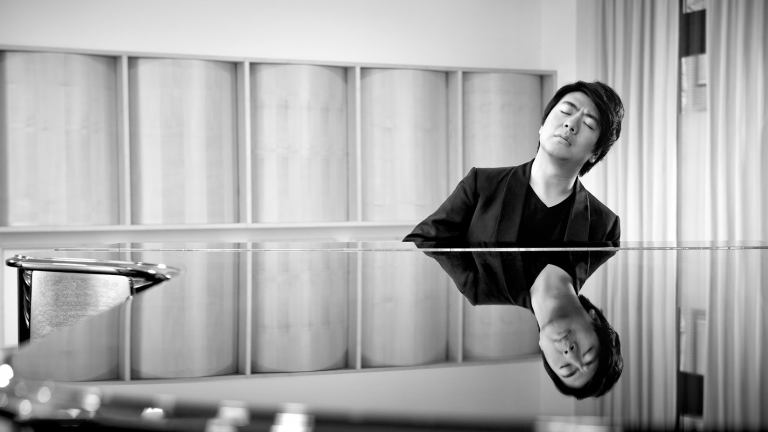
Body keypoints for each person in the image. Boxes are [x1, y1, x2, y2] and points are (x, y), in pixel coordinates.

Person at [403, 80, 624, 245]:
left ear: (596, 153)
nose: (571, 124)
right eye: (566, 111)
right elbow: (419, 242)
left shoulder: (604, 225)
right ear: (542, 126)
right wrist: (474, 282)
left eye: (589, 124)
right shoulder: (481, 185)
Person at [425, 248, 622, 399]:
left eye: (566, 368)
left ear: (543, 350)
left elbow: (429, 235)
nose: (570, 354)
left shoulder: (479, 286)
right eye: (588, 354)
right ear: (594, 318)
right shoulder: (604, 238)